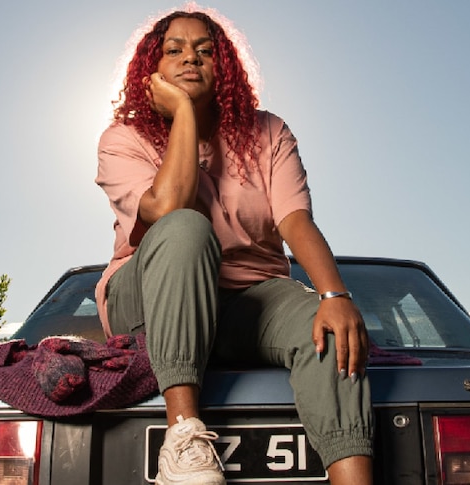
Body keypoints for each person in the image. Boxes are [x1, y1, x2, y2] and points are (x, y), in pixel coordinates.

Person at [94, 7, 372, 485]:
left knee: (327, 330)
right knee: (186, 226)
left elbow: (294, 218)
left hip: (249, 300)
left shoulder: (268, 132)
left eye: (205, 50)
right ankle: (183, 439)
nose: (190, 59)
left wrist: (334, 296)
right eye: (174, 50)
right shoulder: (124, 138)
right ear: (151, 68)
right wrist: (182, 111)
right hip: (149, 301)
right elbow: (166, 208)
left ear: (224, 66)